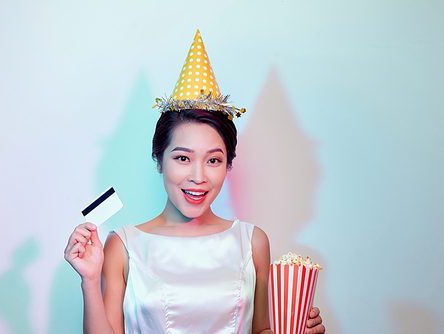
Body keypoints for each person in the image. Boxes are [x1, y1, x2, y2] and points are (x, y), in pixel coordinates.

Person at [64, 31, 325, 334]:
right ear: (159, 160)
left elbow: (262, 330)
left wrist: (297, 330)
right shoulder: (122, 246)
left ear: (228, 165)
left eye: (213, 160)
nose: (198, 177)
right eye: (183, 158)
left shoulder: (252, 242)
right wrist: (90, 280)